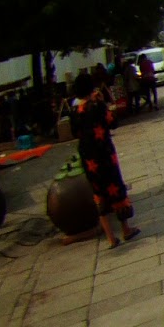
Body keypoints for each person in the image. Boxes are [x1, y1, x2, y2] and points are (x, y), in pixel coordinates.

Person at [67, 72, 140, 247]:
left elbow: (74, 132)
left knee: (98, 192)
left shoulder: (74, 111)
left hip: (88, 156)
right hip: (105, 153)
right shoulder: (97, 106)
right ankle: (125, 229)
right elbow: (112, 122)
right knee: (115, 187)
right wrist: (103, 102)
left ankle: (110, 238)